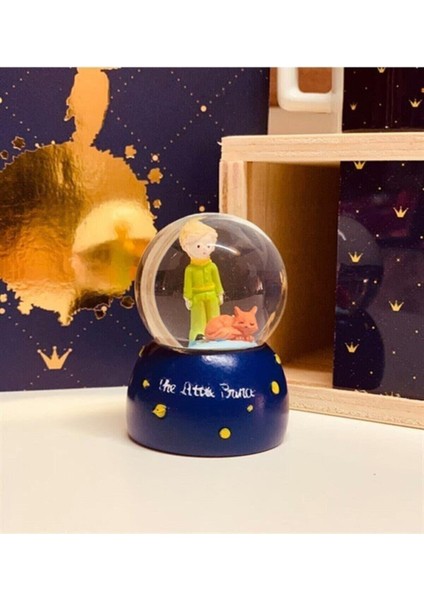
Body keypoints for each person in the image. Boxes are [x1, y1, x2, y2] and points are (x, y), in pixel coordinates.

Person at [179, 219, 224, 342]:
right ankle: (198, 336)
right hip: (197, 297)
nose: (204, 249)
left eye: (208, 246)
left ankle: (216, 334)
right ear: (186, 247)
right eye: (198, 246)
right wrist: (187, 298)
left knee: (214, 317)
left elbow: (217, 281)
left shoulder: (212, 266)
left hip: (212, 295)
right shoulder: (190, 270)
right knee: (198, 318)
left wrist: (220, 293)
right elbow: (187, 285)